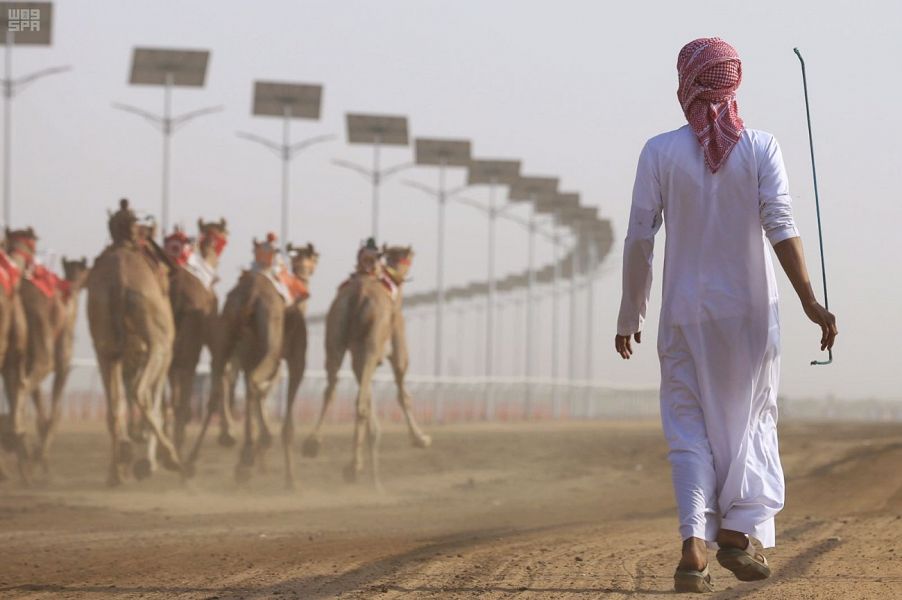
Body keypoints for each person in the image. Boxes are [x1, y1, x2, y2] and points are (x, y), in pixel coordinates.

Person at [614, 38, 837, 593]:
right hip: (752, 317)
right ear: (733, 85)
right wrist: (810, 299)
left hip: (685, 315)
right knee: (750, 421)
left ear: (686, 83)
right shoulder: (761, 147)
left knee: (687, 429)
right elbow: (781, 224)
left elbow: (640, 236)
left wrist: (629, 312)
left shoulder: (659, 151)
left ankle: (694, 544)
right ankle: (737, 533)